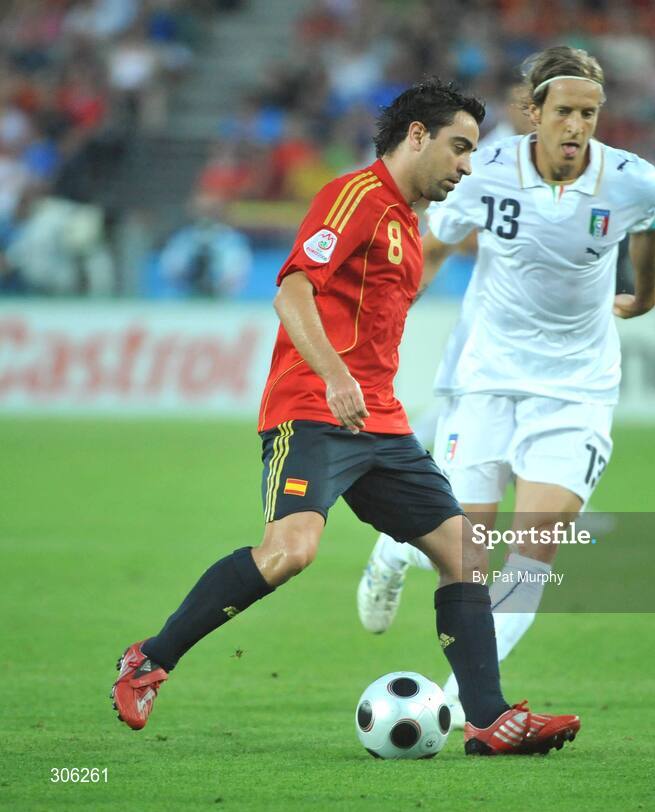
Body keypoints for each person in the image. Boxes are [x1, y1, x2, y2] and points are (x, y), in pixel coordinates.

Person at [111, 79, 580, 757]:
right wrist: (334, 377)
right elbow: (293, 289)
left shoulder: (409, 228)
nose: (466, 166)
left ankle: (488, 719)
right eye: (459, 147)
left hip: (379, 422)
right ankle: (147, 661)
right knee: (291, 551)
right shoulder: (356, 196)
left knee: (466, 556)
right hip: (312, 407)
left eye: (473, 152)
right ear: (416, 135)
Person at [356, 46, 655, 724]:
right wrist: (388, 320)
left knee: (534, 550)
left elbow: (648, 232)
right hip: (487, 379)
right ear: (534, 111)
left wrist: (642, 298)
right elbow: (434, 245)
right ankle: (392, 550)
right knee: (464, 546)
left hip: (578, 389)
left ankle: (459, 702)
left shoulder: (633, 180)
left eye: (589, 112)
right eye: (564, 112)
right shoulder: (483, 170)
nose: (577, 126)